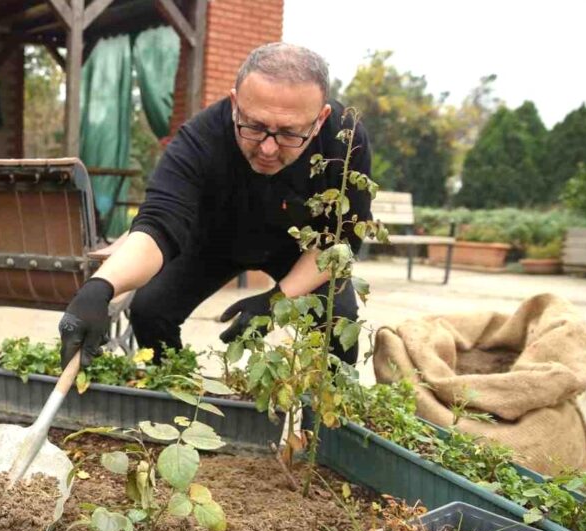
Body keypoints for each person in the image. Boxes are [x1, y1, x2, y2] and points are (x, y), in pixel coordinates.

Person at [59, 42, 372, 369]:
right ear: (236, 103)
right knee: (151, 310)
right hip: (215, 240)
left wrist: (276, 300)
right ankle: (176, 397)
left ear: (320, 119)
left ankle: (321, 420)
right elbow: (158, 225)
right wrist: (99, 288)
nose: (267, 148)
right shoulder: (200, 139)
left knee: (339, 321)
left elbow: (338, 242)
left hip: (301, 248)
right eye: (253, 126)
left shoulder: (346, 141)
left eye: (290, 134)